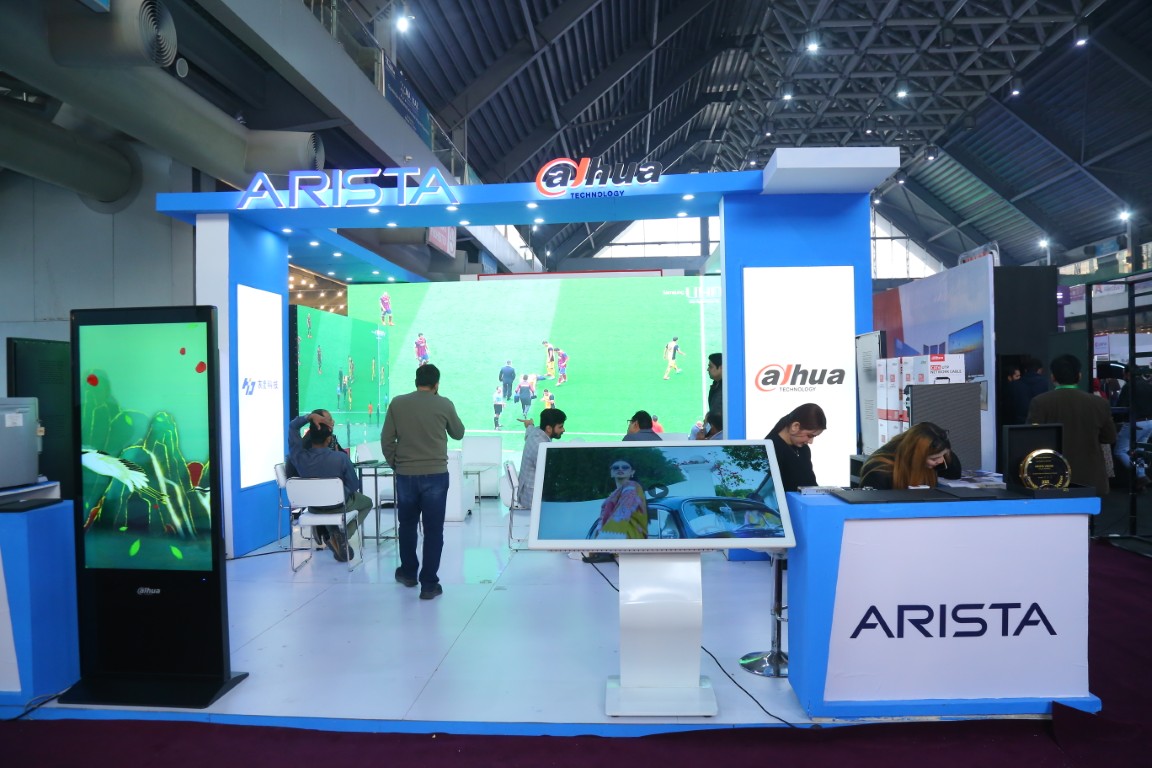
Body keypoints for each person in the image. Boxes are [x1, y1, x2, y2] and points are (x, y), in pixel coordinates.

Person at [381, 364, 466, 600]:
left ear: (415, 381)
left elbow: (387, 440)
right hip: (436, 475)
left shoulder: (398, 403)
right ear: (436, 384)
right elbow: (458, 433)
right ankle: (429, 584)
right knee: (433, 530)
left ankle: (409, 573)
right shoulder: (444, 404)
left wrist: (397, 464)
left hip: (406, 474)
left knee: (407, 525)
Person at [1027, 354, 1117, 496]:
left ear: (1053, 377)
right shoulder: (1099, 403)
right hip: (1091, 477)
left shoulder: (1040, 402)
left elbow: (1031, 439)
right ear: (1079, 376)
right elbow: (1109, 437)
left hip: (1053, 476)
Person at [287, 410, 371, 562]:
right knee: (367, 503)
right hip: (337, 505)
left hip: (313, 507)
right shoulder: (340, 458)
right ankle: (343, 536)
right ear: (328, 439)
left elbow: (293, 427)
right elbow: (354, 486)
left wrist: (308, 417)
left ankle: (334, 536)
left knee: (328, 507)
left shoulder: (299, 457)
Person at [859, 421, 962, 490]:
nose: (940, 461)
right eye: (934, 458)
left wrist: (946, 453)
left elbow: (954, 474)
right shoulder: (879, 471)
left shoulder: (933, 456)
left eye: (943, 455)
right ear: (916, 456)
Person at [766, 403, 827, 492]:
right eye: (810, 435)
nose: (811, 442)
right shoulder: (770, 450)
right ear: (795, 426)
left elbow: (811, 485)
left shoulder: (804, 449)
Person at [516, 408, 567, 506]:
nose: (563, 430)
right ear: (549, 428)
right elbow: (550, 475)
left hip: (527, 492)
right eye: (560, 427)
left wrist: (529, 424)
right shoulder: (540, 447)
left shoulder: (536, 432)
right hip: (533, 499)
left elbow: (529, 431)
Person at [1115, 364, 1152, 491]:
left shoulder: (1129, 386)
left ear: (1127, 374)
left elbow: (1121, 406)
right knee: (1139, 451)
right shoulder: (1148, 385)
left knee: (1120, 451)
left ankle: (1140, 476)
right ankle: (1141, 475)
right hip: (1149, 422)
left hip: (1135, 423)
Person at [591, 458, 648, 539]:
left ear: (632, 472)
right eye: (615, 467)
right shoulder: (612, 496)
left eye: (625, 467)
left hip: (628, 538)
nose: (620, 469)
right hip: (610, 537)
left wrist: (603, 539)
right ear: (611, 473)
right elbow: (602, 519)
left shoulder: (632, 486)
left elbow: (622, 513)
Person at [1008, 356, 1050, 425]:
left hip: (1019, 424)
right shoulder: (1045, 383)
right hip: (1040, 423)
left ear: (1025, 370)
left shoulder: (1015, 384)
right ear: (1040, 370)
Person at [707, 352, 723, 418]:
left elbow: (716, 415)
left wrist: (708, 421)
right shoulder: (716, 384)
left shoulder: (724, 390)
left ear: (721, 368)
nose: (707, 369)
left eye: (710, 367)